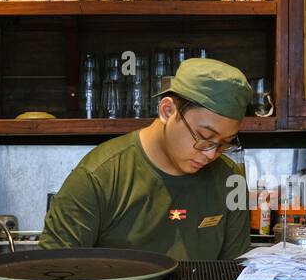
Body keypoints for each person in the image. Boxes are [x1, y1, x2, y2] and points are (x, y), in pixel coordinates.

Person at [39, 58, 252, 260]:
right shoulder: (99, 176)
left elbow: (237, 274)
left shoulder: (231, 180)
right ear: (167, 111)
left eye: (225, 142)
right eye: (205, 138)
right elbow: (51, 272)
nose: (211, 154)